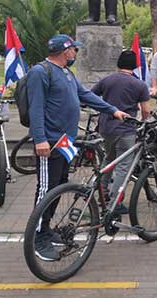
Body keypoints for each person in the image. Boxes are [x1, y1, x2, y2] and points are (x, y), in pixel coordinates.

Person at [28, 34, 128, 261]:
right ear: (66, 51)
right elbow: (36, 108)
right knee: (46, 189)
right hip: (50, 143)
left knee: (59, 186)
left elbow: (86, 96)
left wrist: (112, 110)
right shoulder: (40, 72)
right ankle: (37, 237)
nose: (76, 53)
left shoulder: (66, 73)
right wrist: (39, 139)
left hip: (65, 142)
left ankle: (46, 229)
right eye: (75, 49)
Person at [91, 50, 151, 212]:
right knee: (123, 167)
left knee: (108, 160)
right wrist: (144, 122)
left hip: (106, 128)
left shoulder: (107, 80)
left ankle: (101, 194)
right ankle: (114, 203)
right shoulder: (140, 85)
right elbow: (146, 110)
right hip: (126, 130)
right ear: (135, 66)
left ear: (118, 64)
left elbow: (91, 97)